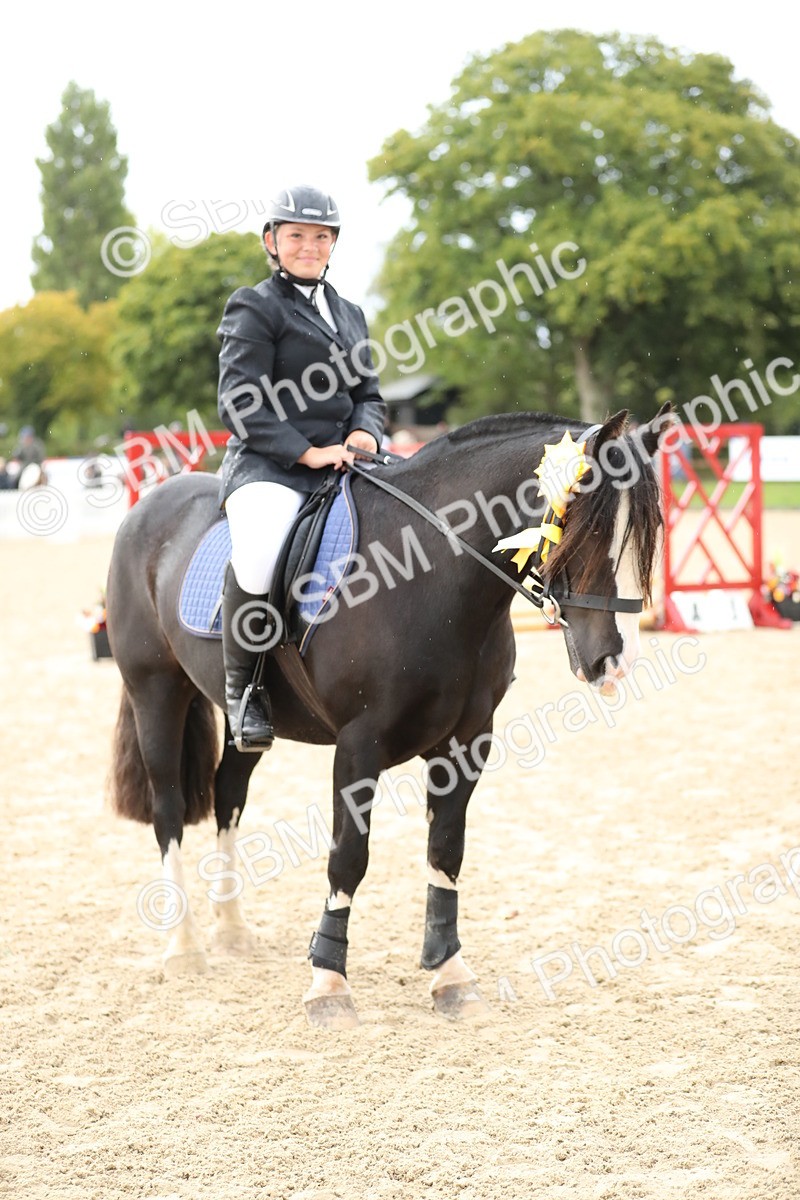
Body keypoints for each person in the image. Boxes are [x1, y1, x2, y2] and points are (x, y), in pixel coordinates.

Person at [216, 185, 387, 752]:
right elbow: (238, 402)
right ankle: (245, 692)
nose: (309, 246)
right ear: (273, 241)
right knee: (262, 552)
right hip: (271, 465)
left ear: (333, 245)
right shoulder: (254, 304)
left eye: (321, 237)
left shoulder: (351, 313)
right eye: (296, 236)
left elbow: (369, 393)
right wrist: (306, 452)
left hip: (345, 460)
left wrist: (365, 429)